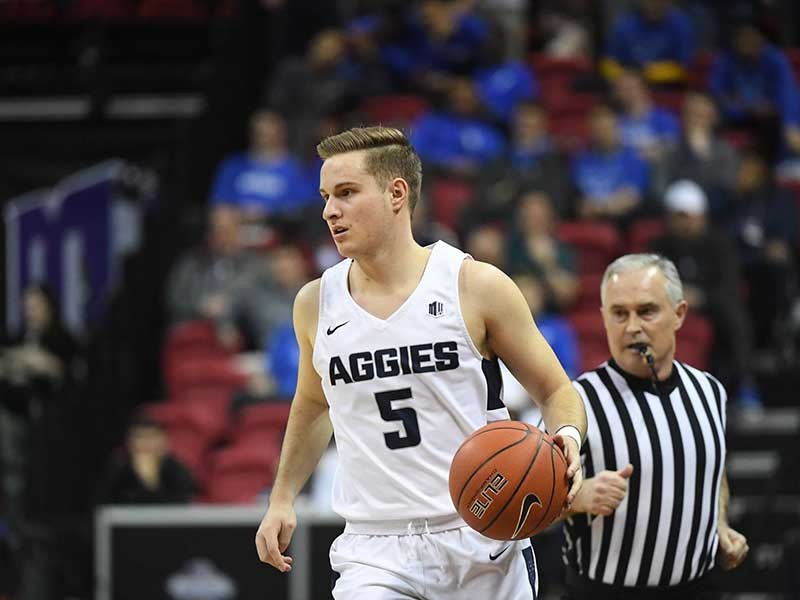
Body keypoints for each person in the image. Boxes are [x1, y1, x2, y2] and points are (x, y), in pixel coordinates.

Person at [254, 126, 587, 599]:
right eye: (326, 197)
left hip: (483, 534)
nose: (330, 210)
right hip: (375, 549)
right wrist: (282, 496)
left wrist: (567, 437)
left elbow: (556, 390)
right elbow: (313, 404)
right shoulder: (315, 302)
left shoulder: (475, 285)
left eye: (346, 193)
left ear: (396, 193)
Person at [560, 253, 748, 598]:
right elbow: (526, 503)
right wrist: (578, 498)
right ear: (604, 319)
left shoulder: (709, 390)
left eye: (646, 311)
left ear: (679, 314)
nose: (632, 326)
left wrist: (719, 524)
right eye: (619, 313)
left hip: (700, 589)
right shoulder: (575, 402)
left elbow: (713, 469)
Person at [96, 414, 196, 505]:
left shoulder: (176, 469)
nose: (146, 444)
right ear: (129, 442)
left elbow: (181, 506)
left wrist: (149, 481)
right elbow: (104, 505)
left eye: (151, 437)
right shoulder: (119, 468)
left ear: (164, 441)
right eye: (139, 437)